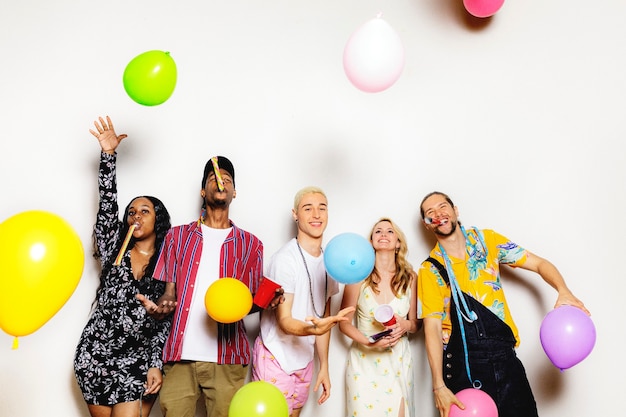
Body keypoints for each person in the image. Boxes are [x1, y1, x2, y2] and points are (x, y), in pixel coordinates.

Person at [417, 191, 590, 417]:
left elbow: (538, 264)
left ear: (455, 210)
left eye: (443, 207)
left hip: (506, 359)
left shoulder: (487, 241)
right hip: (464, 366)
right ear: (427, 224)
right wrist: (439, 386)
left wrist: (563, 290)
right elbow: (432, 327)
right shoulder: (430, 269)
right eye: (431, 213)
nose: (438, 214)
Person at [136, 155, 281, 417]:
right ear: (203, 191)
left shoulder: (251, 244)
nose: (221, 182)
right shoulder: (177, 236)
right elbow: (169, 293)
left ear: (234, 192)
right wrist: (161, 307)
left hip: (228, 359)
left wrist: (264, 302)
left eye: (227, 179)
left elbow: (244, 304)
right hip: (180, 356)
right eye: (214, 179)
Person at [74, 116, 172, 417]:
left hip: (136, 358)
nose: (136, 216)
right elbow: (107, 205)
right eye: (131, 212)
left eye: (145, 211)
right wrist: (108, 156)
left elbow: (164, 320)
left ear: (158, 220)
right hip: (96, 354)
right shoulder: (113, 250)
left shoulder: (169, 262)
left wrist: (156, 362)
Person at [251, 186, 354, 417]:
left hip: (304, 360)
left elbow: (323, 319)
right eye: (308, 208)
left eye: (322, 208)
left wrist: (324, 366)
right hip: (275, 356)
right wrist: (314, 328)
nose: (316, 214)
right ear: (295, 214)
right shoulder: (284, 260)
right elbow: (285, 321)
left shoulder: (331, 263)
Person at [339, 217, 420, 417]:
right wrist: (368, 341)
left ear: (398, 242)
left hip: (398, 360)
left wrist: (405, 325)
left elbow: (417, 323)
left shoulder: (410, 277)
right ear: (371, 242)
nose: (384, 234)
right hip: (363, 362)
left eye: (390, 231)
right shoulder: (358, 275)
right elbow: (343, 322)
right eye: (378, 231)